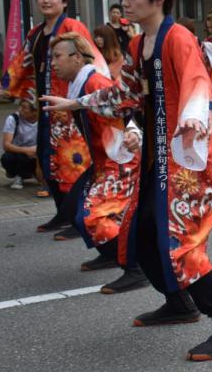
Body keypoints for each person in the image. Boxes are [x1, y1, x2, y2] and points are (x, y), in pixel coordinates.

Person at [42, 0, 212, 361]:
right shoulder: (136, 43)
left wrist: (193, 121)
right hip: (160, 158)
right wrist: (76, 101)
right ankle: (180, 305)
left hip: (191, 160)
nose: (125, 2)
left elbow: (199, 84)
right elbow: (125, 93)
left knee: (180, 242)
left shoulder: (177, 38)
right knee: (143, 234)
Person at [0, 0, 105, 233]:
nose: (46, 1)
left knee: (72, 164)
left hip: (69, 104)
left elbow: (89, 60)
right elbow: (23, 63)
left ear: (65, 2)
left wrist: (86, 96)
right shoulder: (35, 33)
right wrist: (7, 85)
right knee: (48, 162)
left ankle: (78, 216)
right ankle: (62, 213)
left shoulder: (72, 27)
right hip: (46, 106)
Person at [46, 33, 141, 276]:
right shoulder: (78, 83)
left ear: (77, 58)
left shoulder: (95, 82)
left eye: (57, 57)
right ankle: (111, 255)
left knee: (91, 216)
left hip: (119, 160)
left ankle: (134, 267)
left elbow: (124, 109)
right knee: (74, 213)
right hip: (103, 160)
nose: (53, 63)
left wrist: (132, 132)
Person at [0, 99, 41, 190]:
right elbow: (6, 145)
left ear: (35, 111)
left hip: (38, 152)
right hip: (19, 152)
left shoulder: (43, 120)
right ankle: (19, 175)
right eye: (20, 106)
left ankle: (35, 173)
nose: (20, 110)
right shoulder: (13, 118)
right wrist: (27, 150)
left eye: (24, 108)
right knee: (7, 158)